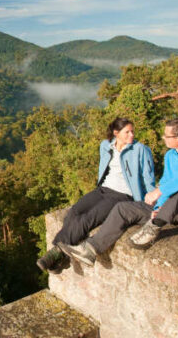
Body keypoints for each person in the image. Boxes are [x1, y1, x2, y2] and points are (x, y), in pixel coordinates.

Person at [59, 118, 178, 265]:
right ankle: (91, 249)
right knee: (123, 208)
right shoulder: (170, 156)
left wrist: (159, 192)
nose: (163, 138)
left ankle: (153, 227)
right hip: (172, 212)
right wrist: (159, 206)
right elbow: (166, 181)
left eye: (167, 136)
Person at [36, 117, 156, 273]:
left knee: (88, 219)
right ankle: (63, 257)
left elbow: (148, 177)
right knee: (74, 211)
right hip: (103, 189)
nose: (132, 135)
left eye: (132, 131)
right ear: (116, 133)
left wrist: (149, 200)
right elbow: (104, 169)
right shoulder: (105, 146)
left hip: (122, 195)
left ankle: (56, 252)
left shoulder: (140, 150)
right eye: (127, 132)